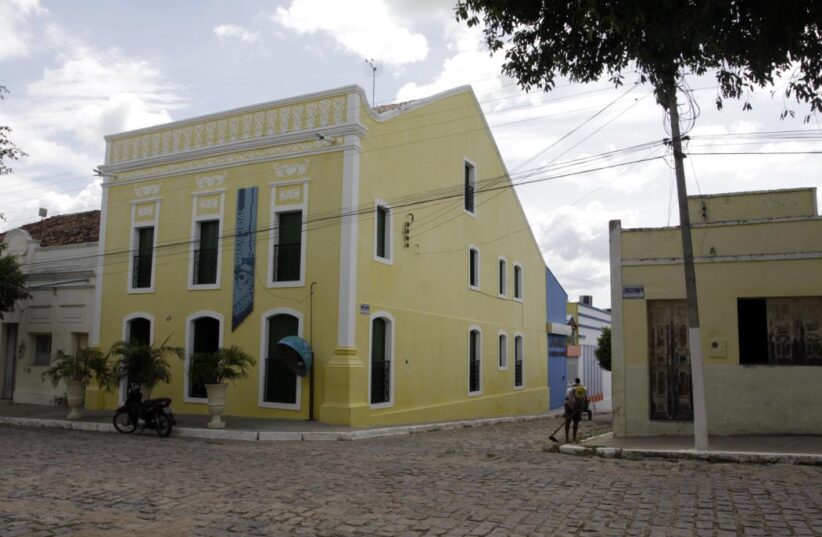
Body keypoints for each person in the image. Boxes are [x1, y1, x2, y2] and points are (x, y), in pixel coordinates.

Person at [564, 378, 588, 443]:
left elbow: (583, 402)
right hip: (568, 405)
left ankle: (574, 438)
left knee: (576, 421)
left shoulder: (584, 390)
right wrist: (573, 408)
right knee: (568, 420)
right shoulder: (569, 392)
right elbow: (568, 402)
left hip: (577, 406)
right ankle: (567, 437)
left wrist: (579, 407)